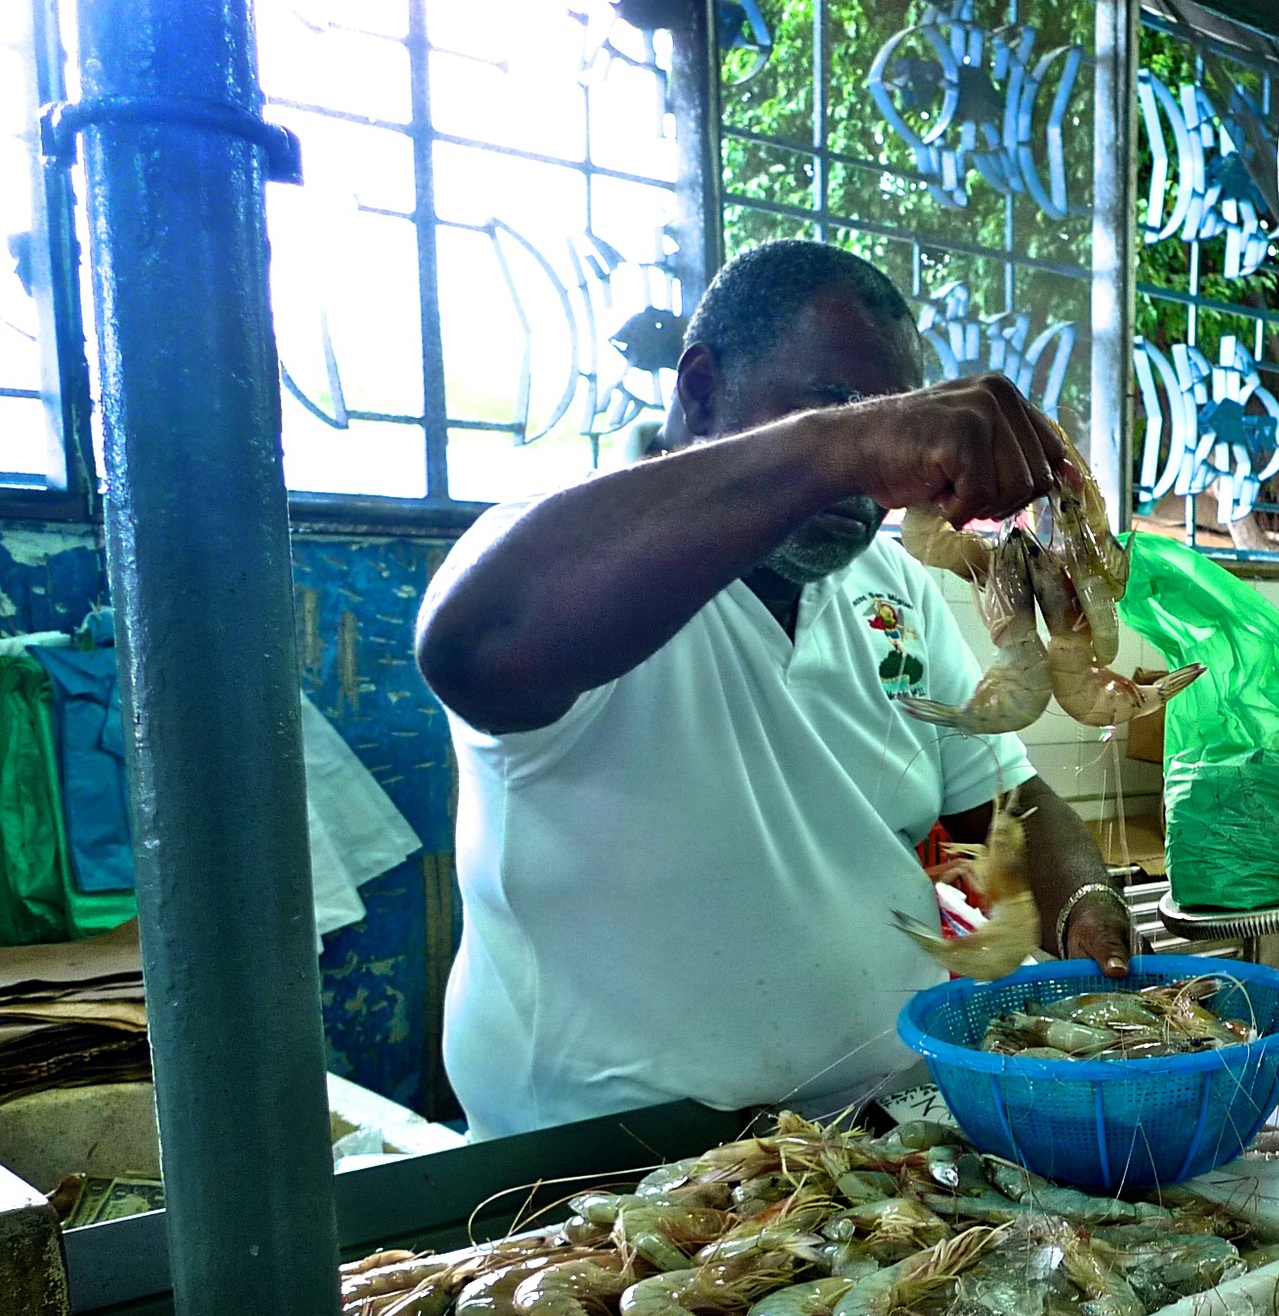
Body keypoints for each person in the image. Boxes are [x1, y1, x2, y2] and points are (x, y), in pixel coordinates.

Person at [415, 241, 1135, 1138]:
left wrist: (1083, 906)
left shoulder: (892, 585)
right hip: (603, 1167)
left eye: (889, 423)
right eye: (832, 408)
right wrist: (849, 444)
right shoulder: (585, 566)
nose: (876, 477)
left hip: (873, 1136)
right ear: (702, 387)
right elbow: (472, 649)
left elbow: (1007, 802)